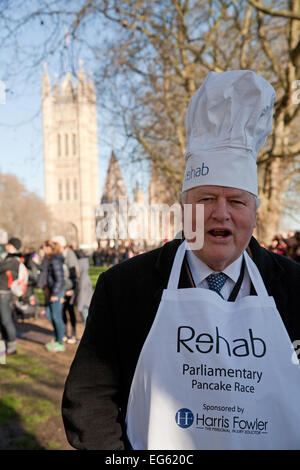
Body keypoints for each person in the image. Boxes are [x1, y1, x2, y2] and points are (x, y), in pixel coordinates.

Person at [62, 70, 300, 450]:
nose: (220, 214)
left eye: (236, 201)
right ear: (184, 208)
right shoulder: (123, 287)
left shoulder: (294, 287)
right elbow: (89, 399)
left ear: (254, 212)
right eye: (206, 199)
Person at [51, 236, 79, 344]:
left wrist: (72, 289)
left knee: (70, 311)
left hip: (69, 288)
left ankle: (73, 334)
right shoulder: (59, 255)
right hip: (62, 288)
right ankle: (64, 333)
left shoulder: (69, 254)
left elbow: (74, 273)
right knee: (62, 311)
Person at [0, 237, 22, 355]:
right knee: (2, 320)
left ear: (12, 246)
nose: (6, 246)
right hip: (2, 292)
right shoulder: (8, 257)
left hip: (5, 293)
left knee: (6, 320)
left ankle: (12, 347)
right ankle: (4, 344)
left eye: (8, 244)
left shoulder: (14, 260)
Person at [43, 240, 65, 352]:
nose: (43, 249)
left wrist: (55, 293)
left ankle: (60, 342)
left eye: (44, 247)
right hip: (51, 290)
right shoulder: (50, 259)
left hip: (56, 292)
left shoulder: (55, 259)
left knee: (56, 316)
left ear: (49, 248)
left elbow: (59, 279)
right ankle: (57, 339)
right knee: (49, 314)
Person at [74, 249, 93, 325]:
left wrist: (80, 305)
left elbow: (82, 291)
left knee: (86, 318)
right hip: (87, 301)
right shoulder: (85, 274)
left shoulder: (82, 277)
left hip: (84, 303)